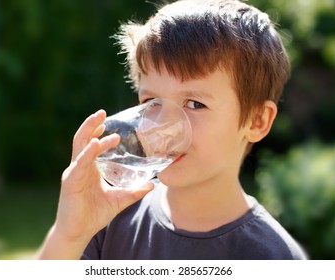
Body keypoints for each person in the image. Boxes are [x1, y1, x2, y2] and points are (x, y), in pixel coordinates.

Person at [37, 0, 307, 259]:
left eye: (194, 103)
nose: (161, 128)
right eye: (151, 102)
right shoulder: (109, 219)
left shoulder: (274, 258)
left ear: (257, 121)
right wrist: (69, 235)